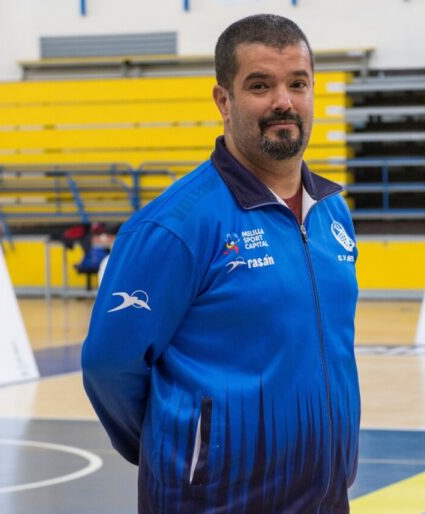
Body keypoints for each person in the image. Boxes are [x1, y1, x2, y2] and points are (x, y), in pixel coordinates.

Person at [81, 14, 360, 514]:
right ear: (223, 101)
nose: (284, 100)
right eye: (260, 85)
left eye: (298, 83)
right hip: (213, 502)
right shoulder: (175, 225)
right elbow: (108, 366)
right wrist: (185, 453)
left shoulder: (332, 212)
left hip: (325, 497)